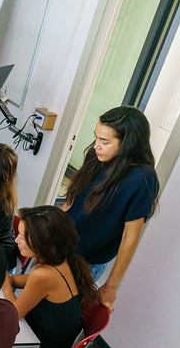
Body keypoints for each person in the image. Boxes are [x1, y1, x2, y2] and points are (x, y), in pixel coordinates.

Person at [63, 106, 159, 311]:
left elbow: (129, 238)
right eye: (96, 138)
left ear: (128, 144)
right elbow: (71, 201)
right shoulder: (96, 157)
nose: (96, 146)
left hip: (84, 263)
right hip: (59, 245)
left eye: (105, 142)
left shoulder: (142, 178)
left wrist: (111, 285)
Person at [1, 206, 98, 348]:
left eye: (22, 237)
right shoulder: (63, 261)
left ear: (41, 243)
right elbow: (30, 281)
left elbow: (14, 313)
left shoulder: (44, 275)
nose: (16, 240)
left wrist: (6, 284)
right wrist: (10, 279)